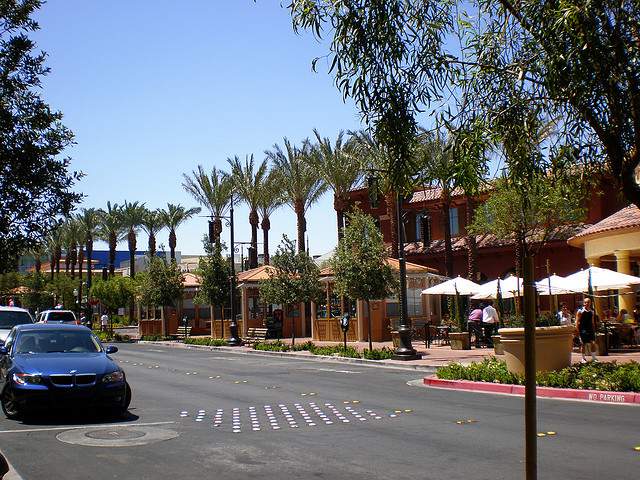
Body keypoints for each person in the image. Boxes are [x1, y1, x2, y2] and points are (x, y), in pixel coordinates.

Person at [576, 298, 597, 362]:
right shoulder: (580, 311)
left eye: (588, 302)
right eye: (585, 302)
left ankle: (593, 358)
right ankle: (583, 358)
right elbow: (577, 321)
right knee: (583, 343)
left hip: (590, 329)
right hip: (583, 329)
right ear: (583, 303)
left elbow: (592, 321)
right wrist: (577, 330)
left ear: (590, 303)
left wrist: (594, 329)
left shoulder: (592, 311)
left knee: (593, 343)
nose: (587, 304)